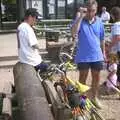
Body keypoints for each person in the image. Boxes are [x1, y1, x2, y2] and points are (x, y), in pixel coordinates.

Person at [72, 0, 105, 108]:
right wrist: (80, 17)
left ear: (96, 10)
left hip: (97, 55)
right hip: (83, 56)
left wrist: (103, 53)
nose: (90, 13)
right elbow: (73, 33)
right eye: (89, 10)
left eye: (93, 11)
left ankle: (94, 97)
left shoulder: (100, 21)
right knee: (82, 78)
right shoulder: (80, 20)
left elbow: (102, 39)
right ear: (86, 9)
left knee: (96, 78)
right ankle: (82, 100)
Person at [17, 8, 48, 72]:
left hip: (23, 58)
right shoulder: (28, 28)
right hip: (32, 61)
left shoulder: (20, 26)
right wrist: (38, 46)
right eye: (36, 18)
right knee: (49, 68)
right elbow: (34, 45)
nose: (36, 20)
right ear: (30, 17)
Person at [109, 6, 120, 86]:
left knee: (115, 67)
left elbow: (117, 38)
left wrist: (109, 46)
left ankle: (114, 84)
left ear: (113, 15)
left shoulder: (116, 25)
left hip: (117, 50)